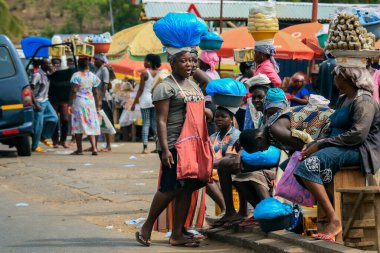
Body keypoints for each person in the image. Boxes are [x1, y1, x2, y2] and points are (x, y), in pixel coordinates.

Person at [136, 48, 212, 247]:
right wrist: (165, 149)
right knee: (169, 188)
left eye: (193, 61)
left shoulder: (194, 86)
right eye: (184, 61)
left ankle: (177, 234)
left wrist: (206, 112)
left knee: (186, 188)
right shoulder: (166, 87)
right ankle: (146, 226)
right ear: (173, 63)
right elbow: (160, 120)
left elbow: (207, 87)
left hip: (194, 144)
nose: (190, 65)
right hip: (174, 144)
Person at [295, 65, 380, 241]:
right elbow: (331, 127)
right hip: (340, 146)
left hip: (359, 149)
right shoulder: (343, 98)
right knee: (297, 161)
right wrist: (315, 142)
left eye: (337, 76)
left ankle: (334, 219)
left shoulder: (364, 101)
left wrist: (322, 144)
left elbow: (358, 135)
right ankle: (330, 210)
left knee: (309, 166)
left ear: (347, 79)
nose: (334, 79)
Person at [232, 89, 289, 226]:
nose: (274, 116)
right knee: (238, 179)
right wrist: (241, 153)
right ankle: (262, 212)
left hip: (282, 166)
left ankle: (272, 216)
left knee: (255, 177)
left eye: (277, 112)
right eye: (270, 113)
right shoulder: (264, 126)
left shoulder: (284, 123)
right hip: (267, 164)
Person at [209, 106, 241, 215]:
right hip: (214, 168)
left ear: (231, 119)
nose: (219, 119)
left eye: (224, 116)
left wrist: (207, 165)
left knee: (204, 177)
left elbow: (229, 157)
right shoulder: (213, 136)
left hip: (229, 168)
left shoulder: (235, 134)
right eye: (217, 116)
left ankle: (226, 209)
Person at [68, 58, 101, 155]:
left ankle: (79, 150)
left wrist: (69, 104)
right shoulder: (93, 76)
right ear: (88, 65)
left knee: (78, 124)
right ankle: (94, 148)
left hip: (79, 101)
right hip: (90, 102)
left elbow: (73, 90)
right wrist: (98, 104)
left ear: (79, 65)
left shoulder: (76, 76)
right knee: (90, 123)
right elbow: (95, 92)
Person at [131, 54, 160, 154]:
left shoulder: (145, 73)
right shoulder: (159, 73)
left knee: (146, 124)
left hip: (145, 100)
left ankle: (145, 147)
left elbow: (140, 89)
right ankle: (158, 146)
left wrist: (134, 103)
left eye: (145, 60)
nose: (143, 62)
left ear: (149, 62)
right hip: (155, 100)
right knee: (154, 124)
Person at [30, 58, 58, 152]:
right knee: (38, 125)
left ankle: (44, 136)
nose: (50, 65)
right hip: (38, 102)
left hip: (46, 100)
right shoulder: (37, 75)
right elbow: (31, 90)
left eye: (50, 63)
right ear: (43, 65)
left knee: (54, 118)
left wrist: (52, 69)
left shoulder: (47, 74)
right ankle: (34, 146)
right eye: (48, 64)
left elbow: (55, 72)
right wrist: (35, 104)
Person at [94, 53, 113, 152]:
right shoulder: (97, 70)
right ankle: (95, 145)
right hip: (97, 99)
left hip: (104, 99)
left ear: (101, 60)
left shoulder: (104, 69)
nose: (94, 61)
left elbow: (105, 85)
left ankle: (108, 145)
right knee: (97, 122)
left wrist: (100, 99)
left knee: (106, 122)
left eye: (96, 59)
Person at [235, 62, 255, 131]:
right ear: (246, 70)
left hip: (237, 108)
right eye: (253, 68)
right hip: (243, 109)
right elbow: (246, 96)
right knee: (243, 129)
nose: (254, 71)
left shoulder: (238, 78)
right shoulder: (247, 81)